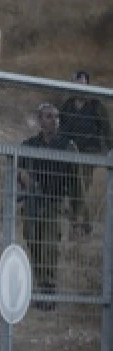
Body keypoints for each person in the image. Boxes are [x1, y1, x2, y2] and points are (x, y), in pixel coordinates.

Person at [18, 102, 78, 309]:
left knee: (49, 246)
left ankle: (48, 290)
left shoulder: (67, 146)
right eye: (49, 116)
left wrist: (77, 211)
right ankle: (40, 286)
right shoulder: (30, 145)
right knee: (33, 241)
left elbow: (75, 179)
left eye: (56, 117)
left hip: (54, 201)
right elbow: (19, 167)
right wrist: (24, 177)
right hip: (34, 201)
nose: (54, 121)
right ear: (39, 120)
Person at [59, 70, 111, 234]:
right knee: (74, 187)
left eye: (82, 84)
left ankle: (82, 224)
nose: (79, 88)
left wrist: (111, 149)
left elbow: (107, 130)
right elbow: (62, 130)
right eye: (76, 84)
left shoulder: (96, 106)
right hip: (70, 153)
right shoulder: (67, 106)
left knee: (81, 186)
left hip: (90, 153)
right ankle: (79, 222)